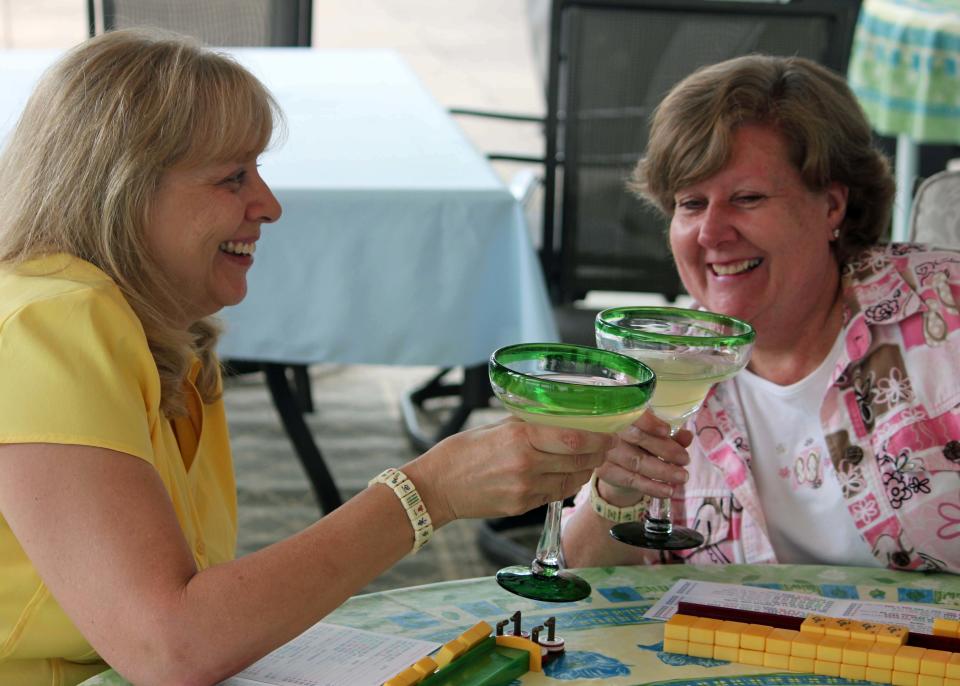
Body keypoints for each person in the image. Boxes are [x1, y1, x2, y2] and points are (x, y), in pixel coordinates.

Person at [0, 30, 615, 686]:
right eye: (234, 177)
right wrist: (426, 493)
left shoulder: (174, 340)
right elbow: (169, 645)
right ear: (125, 189)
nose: (268, 205)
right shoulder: (48, 323)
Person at [562, 54, 960, 574]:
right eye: (690, 204)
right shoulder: (666, 372)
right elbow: (580, 586)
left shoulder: (943, 316)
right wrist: (616, 489)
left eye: (746, 198)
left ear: (832, 206)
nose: (711, 234)